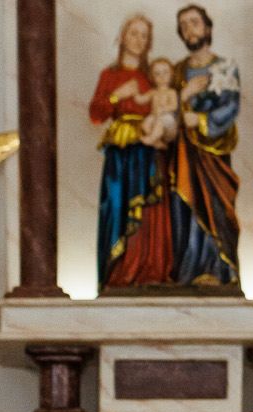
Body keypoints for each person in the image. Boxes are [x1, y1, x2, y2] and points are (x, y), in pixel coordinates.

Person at [90, 14, 173, 290]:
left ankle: (151, 270)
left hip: (150, 150)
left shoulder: (152, 77)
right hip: (122, 152)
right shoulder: (110, 75)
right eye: (134, 33)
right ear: (122, 36)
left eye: (144, 35)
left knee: (150, 209)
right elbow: (96, 115)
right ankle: (119, 273)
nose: (138, 40)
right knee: (118, 205)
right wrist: (118, 95)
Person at [171, 4, 241, 289]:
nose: (190, 29)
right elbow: (160, 108)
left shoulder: (225, 67)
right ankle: (186, 271)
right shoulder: (176, 71)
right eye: (184, 25)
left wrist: (199, 119)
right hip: (181, 155)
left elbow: (230, 108)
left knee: (214, 207)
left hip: (214, 154)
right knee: (182, 210)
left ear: (208, 28)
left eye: (194, 22)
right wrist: (182, 97)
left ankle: (218, 269)